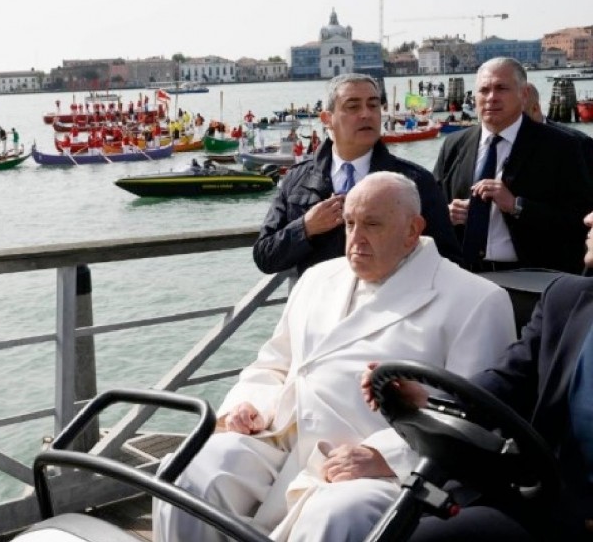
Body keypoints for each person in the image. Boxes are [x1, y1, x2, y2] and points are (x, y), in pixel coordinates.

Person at [153, 172, 515, 542]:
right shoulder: (317, 278)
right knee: (189, 471)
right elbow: (275, 362)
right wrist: (249, 405)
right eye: (349, 224)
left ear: (412, 230)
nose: (355, 240)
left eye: (372, 225)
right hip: (284, 440)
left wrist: (382, 456)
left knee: (337, 515)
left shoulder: (475, 300)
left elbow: (474, 417)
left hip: (383, 468)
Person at [362, 209, 593, 541]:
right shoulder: (566, 300)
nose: (587, 219)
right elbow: (503, 384)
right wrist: (428, 400)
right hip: (546, 503)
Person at [253, 73, 461, 276]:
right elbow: (265, 256)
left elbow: (447, 260)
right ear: (327, 118)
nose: (366, 114)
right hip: (320, 306)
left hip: (389, 306)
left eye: (373, 105)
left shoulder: (415, 181)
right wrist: (306, 227)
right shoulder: (298, 178)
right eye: (353, 107)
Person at [433, 57, 593, 274]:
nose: (491, 98)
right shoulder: (454, 145)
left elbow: (580, 221)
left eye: (501, 88)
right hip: (466, 275)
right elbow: (430, 210)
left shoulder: (562, 146)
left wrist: (517, 206)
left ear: (524, 94)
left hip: (535, 278)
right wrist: (446, 215)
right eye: (484, 90)